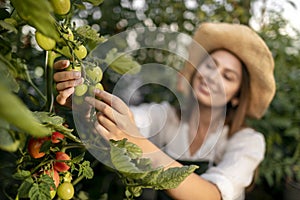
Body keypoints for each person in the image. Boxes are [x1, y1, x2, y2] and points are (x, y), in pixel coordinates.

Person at [53, 22, 276, 200]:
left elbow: (212, 196)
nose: (212, 77)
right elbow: (126, 119)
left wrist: (136, 140)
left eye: (228, 76)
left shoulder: (247, 142)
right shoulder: (167, 117)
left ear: (237, 96)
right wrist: (82, 100)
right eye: (210, 65)